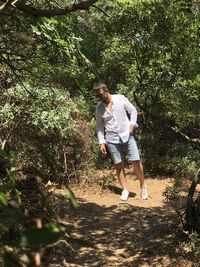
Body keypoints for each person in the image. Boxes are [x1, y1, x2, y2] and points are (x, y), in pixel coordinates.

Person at [94, 82, 148, 201]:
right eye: (98, 96)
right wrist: (101, 142)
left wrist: (132, 125)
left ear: (107, 90)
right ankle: (125, 189)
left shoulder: (120, 99)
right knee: (118, 165)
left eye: (101, 94)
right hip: (112, 139)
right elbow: (99, 126)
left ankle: (143, 185)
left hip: (127, 135)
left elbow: (133, 111)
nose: (100, 98)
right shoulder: (99, 108)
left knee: (136, 161)